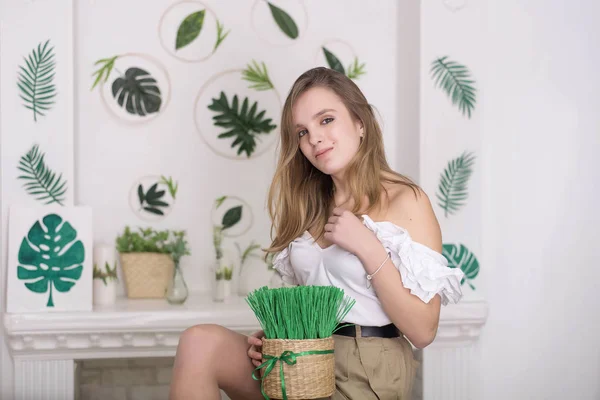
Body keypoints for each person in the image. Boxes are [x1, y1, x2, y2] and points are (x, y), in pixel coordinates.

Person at [169, 67, 465, 400]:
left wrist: (369, 248)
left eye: (326, 120)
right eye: (302, 132)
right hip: (305, 358)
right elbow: (317, 300)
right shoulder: (307, 206)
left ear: (360, 123)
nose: (314, 139)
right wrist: (279, 336)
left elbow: (424, 331)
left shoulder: (404, 200)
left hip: (367, 370)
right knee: (199, 343)